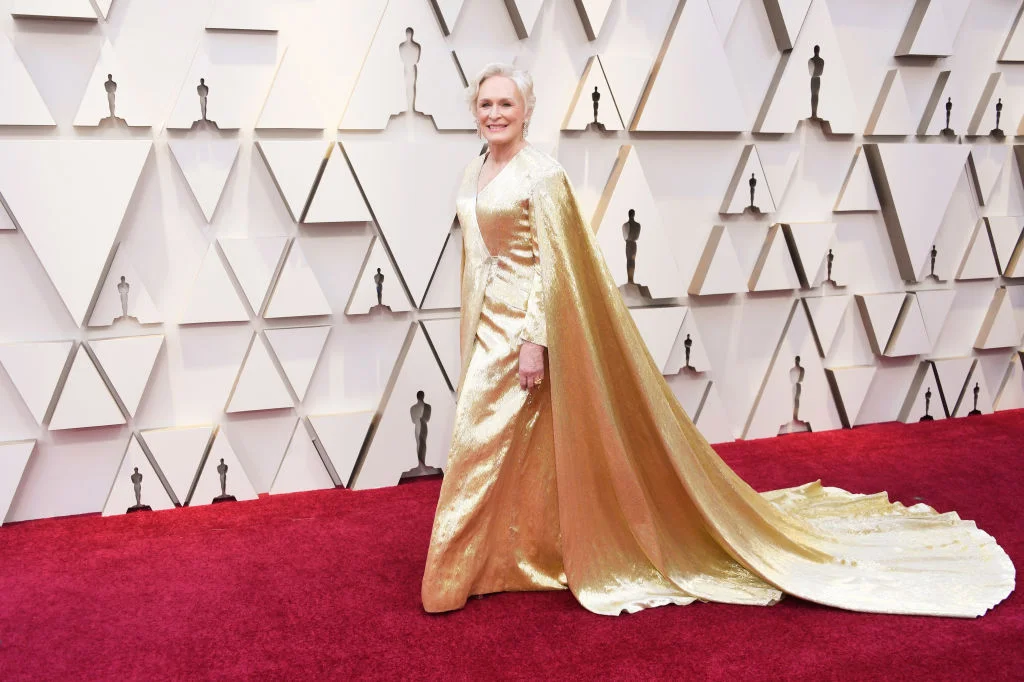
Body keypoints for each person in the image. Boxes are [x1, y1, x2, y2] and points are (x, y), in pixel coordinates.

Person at [421, 63, 1015, 617]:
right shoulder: (475, 170)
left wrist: (535, 339)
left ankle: (449, 575)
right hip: (485, 322)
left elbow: (556, 265)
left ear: (526, 111)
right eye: (486, 103)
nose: (494, 112)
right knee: (530, 444)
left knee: (478, 439)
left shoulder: (543, 175)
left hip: (521, 329)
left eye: (506, 103)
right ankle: (516, 555)